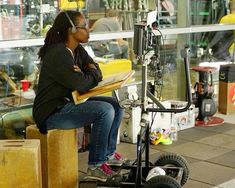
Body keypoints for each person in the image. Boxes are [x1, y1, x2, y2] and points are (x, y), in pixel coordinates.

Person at [32, 10, 125, 182]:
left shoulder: (76, 50)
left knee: (116, 105)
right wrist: (87, 74)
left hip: (68, 103)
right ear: (72, 30)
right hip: (51, 112)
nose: (88, 30)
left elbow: (96, 70)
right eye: (84, 27)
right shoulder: (58, 54)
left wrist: (87, 73)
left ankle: (108, 154)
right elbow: (81, 84)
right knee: (104, 110)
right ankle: (96, 166)